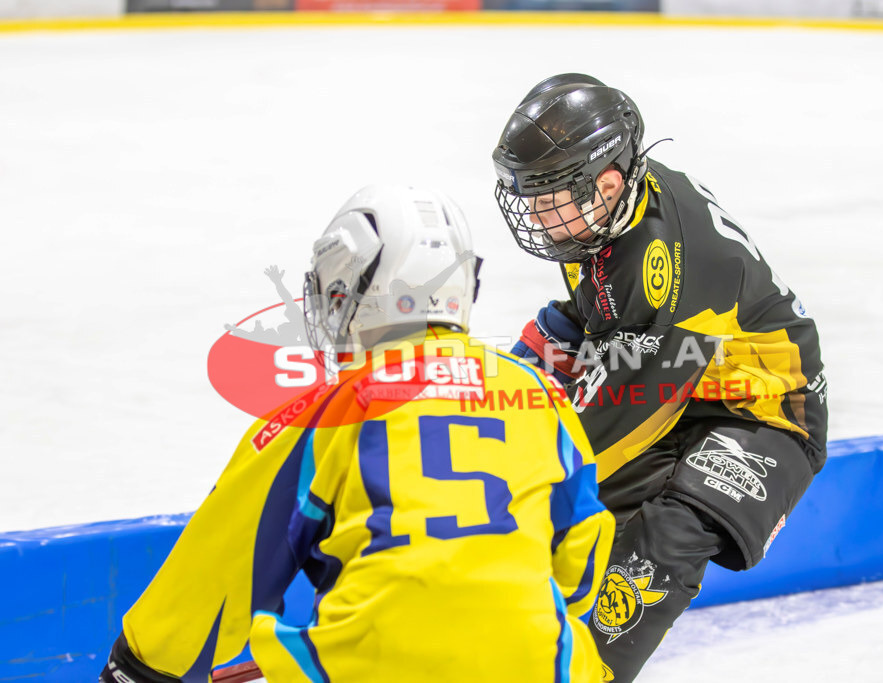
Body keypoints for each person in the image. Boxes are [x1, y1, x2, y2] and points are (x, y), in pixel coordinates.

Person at [99, 185, 615, 683]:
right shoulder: (536, 394)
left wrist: (140, 667)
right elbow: (583, 548)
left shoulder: (325, 411)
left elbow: (216, 578)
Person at [492, 74, 829, 682]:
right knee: (582, 508)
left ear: (607, 182)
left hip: (768, 415)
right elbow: (586, 321)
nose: (536, 215)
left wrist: (496, 486)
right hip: (687, 387)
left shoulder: (665, 268)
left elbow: (619, 415)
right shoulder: (608, 216)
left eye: (547, 197)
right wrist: (501, 389)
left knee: (670, 531)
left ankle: (587, 671)